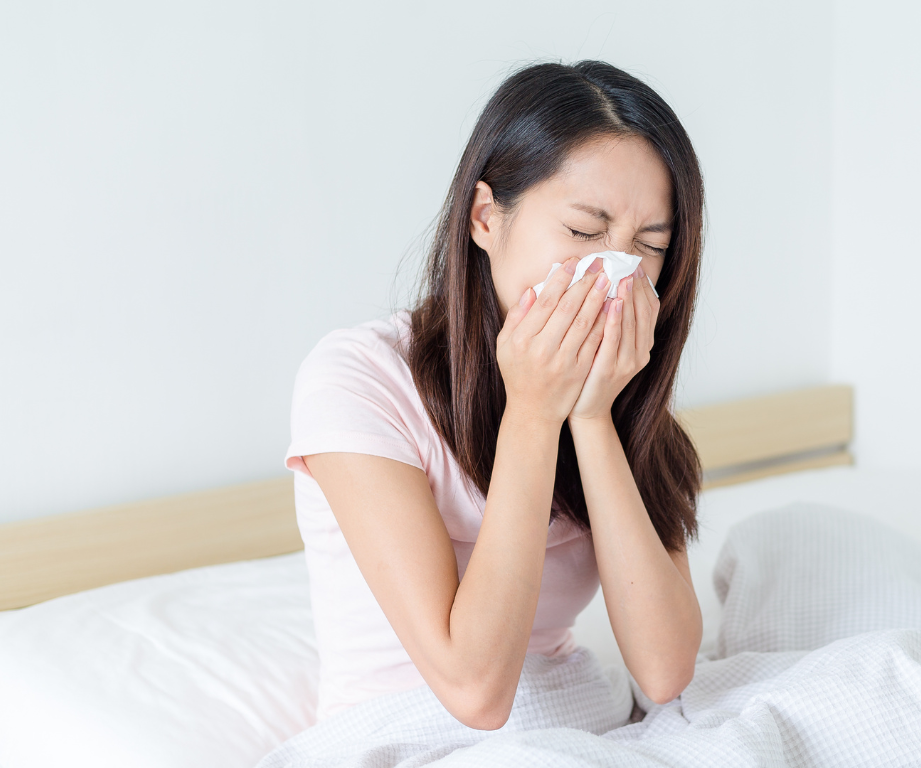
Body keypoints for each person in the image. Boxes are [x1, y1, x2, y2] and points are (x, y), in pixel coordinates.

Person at [284, 60, 706, 731]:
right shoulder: (359, 380)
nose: (614, 274)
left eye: (648, 246)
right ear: (485, 217)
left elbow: (664, 671)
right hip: (405, 734)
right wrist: (533, 414)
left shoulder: (625, 402)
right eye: (584, 232)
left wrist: (591, 417)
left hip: (580, 726)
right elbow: (475, 693)